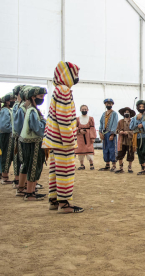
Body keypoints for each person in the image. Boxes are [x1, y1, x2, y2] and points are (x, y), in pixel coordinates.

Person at [42, 61, 83, 213]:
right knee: (65, 170)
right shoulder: (65, 90)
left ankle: (54, 200)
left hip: (54, 139)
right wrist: (69, 140)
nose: (76, 77)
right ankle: (65, 204)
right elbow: (64, 117)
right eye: (75, 74)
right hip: (62, 140)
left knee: (55, 169)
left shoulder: (57, 89)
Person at [19, 87, 48, 201]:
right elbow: (37, 128)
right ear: (33, 97)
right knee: (34, 166)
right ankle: (30, 193)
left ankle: (25, 189)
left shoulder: (30, 109)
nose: (42, 99)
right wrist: (45, 123)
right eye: (40, 97)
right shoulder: (32, 111)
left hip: (27, 141)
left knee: (28, 165)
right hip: (34, 142)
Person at [0, 92, 17, 185]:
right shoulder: (5, 111)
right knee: (6, 155)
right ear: (7, 101)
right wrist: (13, 129)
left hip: (9, 135)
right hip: (7, 135)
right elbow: (4, 126)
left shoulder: (8, 110)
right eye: (12, 100)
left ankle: (5, 177)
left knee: (8, 155)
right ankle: (4, 178)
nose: (13, 101)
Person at [11, 85, 25, 188]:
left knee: (20, 158)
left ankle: (20, 181)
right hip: (19, 136)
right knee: (18, 158)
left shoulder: (19, 105)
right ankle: (17, 180)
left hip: (19, 135)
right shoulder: (17, 105)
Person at [98, 99, 118, 172]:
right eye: (107, 103)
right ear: (105, 104)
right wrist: (100, 133)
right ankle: (107, 164)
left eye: (110, 104)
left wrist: (112, 134)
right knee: (105, 148)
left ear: (112, 104)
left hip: (110, 133)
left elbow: (115, 123)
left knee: (112, 148)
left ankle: (114, 165)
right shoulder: (104, 114)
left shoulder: (114, 114)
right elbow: (101, 123)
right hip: (104, 133)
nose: (108, 105)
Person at [75, 105, 96, 170]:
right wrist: (79, 130)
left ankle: (91, 164)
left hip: (88, 137)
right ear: (80, 110)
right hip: (80, 137)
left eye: (85, 109)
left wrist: (93, 137)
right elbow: (74, 127)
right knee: (80, 150)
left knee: (89, 150)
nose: (84, 110)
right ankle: (82, 164)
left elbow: (92, 128)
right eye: (83, 109)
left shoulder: (91, 118)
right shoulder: (77, 119)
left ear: (87, 110)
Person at [115, 107, 135, 174]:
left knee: (130, 154)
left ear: (130, 113)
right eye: (125, 112)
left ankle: (129, 167)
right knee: (120, 154)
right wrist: (120, 132)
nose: (126, 113)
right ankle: (120, 167)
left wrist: (128, 133)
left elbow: (135, 131)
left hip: (130, 141)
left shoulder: (133, 121)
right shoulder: (120, 121)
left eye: (128, 112)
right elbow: (117, 130)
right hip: (122, 141)